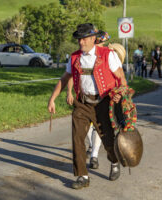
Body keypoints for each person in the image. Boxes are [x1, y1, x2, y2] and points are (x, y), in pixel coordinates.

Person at [48, 23, 127, 189]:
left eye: (84, 39)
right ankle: (82, 176)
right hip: (82, 103)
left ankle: (114, 162)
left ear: (92, 38)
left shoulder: (107, 54)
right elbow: (64, 78)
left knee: (107, 138)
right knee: (77, 138)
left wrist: (123, 94)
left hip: (103, 102)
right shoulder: (75, 57)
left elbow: (120, 77)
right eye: (79, 39)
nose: (81, 42)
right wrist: (52, 99)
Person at [66, 30, 111, 170]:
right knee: (81, 133)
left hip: (101, 100)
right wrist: (69, 92)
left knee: (102, 132)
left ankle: (96, 156)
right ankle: (83, 172)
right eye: (101, 41)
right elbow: (70, 75)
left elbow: (116, 76)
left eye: (103, 42)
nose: (102, 44)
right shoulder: (78, 56)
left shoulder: (108, 54)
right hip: (83, 100)